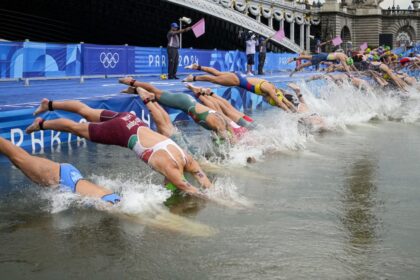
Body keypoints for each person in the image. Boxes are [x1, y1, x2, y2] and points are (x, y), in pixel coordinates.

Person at [25, 99, 212, 195]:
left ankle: (49, 104)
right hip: (123, 132)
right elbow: (187, 188)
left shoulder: (187, 158)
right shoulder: (171, 170)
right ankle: (41, 124)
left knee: (88, 112)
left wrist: (212, 191)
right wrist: (221, 202)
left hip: (131, 120)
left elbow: (201, 178)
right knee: (76, 129)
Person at [0, 136, 121, 204]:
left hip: (69, 177)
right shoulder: (115, 206)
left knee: (19, 159)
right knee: (17, 157)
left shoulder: (116, 201)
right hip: (62, 178)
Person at [119, 77, 240, 143]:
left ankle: (135, 90)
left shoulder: (223, 124)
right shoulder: (218, 125)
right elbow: (227, 139)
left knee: (158, 101)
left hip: (188, 103)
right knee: (156, 92)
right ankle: (131, 81)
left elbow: (228, 132)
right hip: (184, 102)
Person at [182, 64, 296, 112]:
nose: (267, 101)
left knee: (217, 73)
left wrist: (295, 111)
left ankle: (196, 66)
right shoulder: (270, 91)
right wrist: (291, 114)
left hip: (238, 76)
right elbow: (281, 104)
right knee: (213, 79)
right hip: (237, 80)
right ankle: (193, 78)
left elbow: (286, 102)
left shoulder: (275, 90)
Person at [288, 52, 354, 76]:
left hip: (323, 55)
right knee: (304, 65)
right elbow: (345, 66)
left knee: (306, 57)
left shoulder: (344, 55)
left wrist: (356, 72)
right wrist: (350, 75)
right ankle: (292, 72)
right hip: (322, 58)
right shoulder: (342, 57)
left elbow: (349, 65)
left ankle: (293, 59)